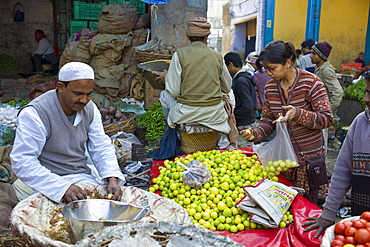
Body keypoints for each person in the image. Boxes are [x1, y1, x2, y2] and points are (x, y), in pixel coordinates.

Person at [10, 62, 125, 203]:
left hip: (81, 175)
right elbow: (23, 161)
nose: (84, 100)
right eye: (78, 94)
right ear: (60, 87)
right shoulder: (36, 113)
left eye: (88, 94)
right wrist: (61, 187)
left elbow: (101, 145)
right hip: (47, 181)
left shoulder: (90, 108)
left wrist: (112, 178)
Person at [240, 40, 334, 204]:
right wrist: (254, 133)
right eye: (266, 69)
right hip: (284, 160)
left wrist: (297, 114)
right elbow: (268, 121)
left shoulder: (311, 83)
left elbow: (326, 118)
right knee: (286, 205)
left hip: (308, 160)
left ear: (288, 62)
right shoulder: (270, 88)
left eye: (272, 68)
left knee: (307, 206)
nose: (269, 73)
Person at [302, 70, 370, 238]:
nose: (366, 99)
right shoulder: (360, 122)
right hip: (361, 220)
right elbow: (342, 172)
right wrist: (328, 213)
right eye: (367, 92)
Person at [156, 17, 232, 140]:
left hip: (186, 114)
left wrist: (168, 78)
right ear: (207, 37)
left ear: (187, 37)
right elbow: (227, 87)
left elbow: (174, 91)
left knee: (165, 95)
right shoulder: (217, 56)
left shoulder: (179, 54)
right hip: (214, 114)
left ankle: (173, 133)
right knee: (230, 95)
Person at [310, 41, 343, 149]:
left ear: (321, 56)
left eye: (313, 54)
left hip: (321, 115)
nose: (310, 56)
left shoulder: (326, 71)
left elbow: (338, 92)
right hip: (317, 113)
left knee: (320, 145)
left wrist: (327, 110)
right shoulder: (319, 68)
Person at [224, 52, 257, 146]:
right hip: (248, 120)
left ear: (230, 64)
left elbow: (247, 106)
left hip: (244, 123)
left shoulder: (241, 81)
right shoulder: (244, 78)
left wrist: (233, 115)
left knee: (243, 150)